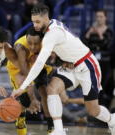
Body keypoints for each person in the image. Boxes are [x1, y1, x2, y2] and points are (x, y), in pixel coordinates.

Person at [11, 3, 115, 135]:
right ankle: (59, 130)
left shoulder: (52, 33)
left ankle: (112, 120)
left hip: (87, 65)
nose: (35, 25)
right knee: (51, 89)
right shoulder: (50, 25)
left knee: (93, 110)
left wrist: (22, 87)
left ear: (46, 18)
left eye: (37, 22)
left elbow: (40, 62)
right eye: (33, 22)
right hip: (70, 66)